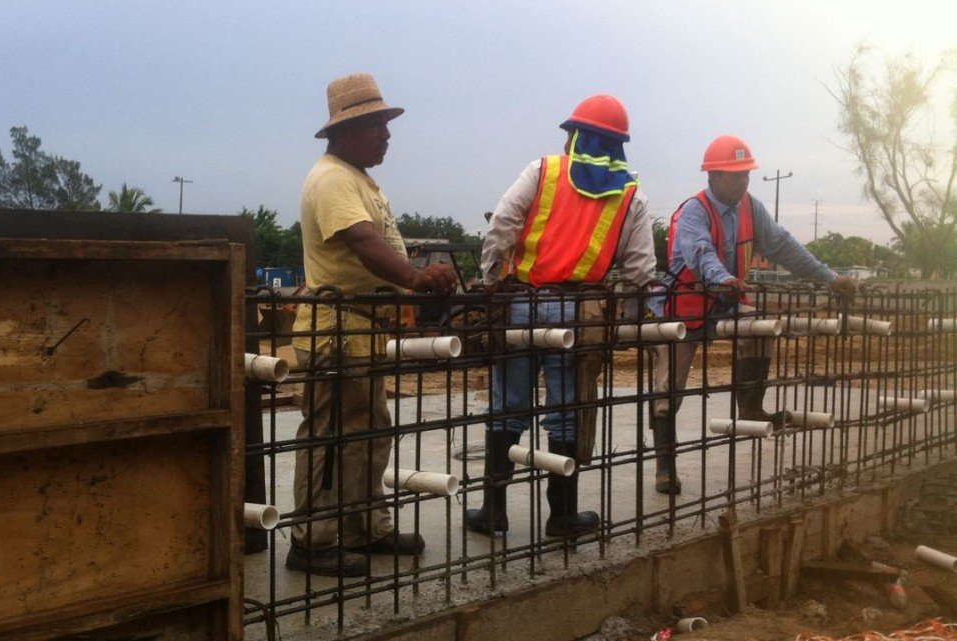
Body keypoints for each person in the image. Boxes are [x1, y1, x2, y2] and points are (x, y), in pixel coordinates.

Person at [287, 73, 458, 577]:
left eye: (386, 124)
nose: (387, 134)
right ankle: (312, 540)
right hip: (335, 331)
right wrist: (413, 278)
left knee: (367, 433)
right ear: (347, 130)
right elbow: (363, 242)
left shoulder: (358, 177)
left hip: (359, 332)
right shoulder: (334, 179)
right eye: (378, 125)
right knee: (332, 437)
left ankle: (365, 526)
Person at [469, 94, 657, 538]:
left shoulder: (543, 171)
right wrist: (620, 319)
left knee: (507, 408)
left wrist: (492, 281)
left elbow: (502, 226)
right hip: (578, 313)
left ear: (575, 135)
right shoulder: (631, 195)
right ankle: (563, 516)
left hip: (521, 305)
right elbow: (640, 270)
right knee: (567, 414)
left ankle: (493, 511)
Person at [648, 135, 857, 494]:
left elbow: (784, 246)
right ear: (713, 176)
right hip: (684, 308)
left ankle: (751, 408)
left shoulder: (749, 207)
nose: (744, 180)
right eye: (735, 174)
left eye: (746, 173)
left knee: (762, 325)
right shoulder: (693, 212)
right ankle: (665, 467)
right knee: (668, 391)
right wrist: (724, 278)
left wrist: (829, 277)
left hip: (726, 302)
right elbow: (700, 254)